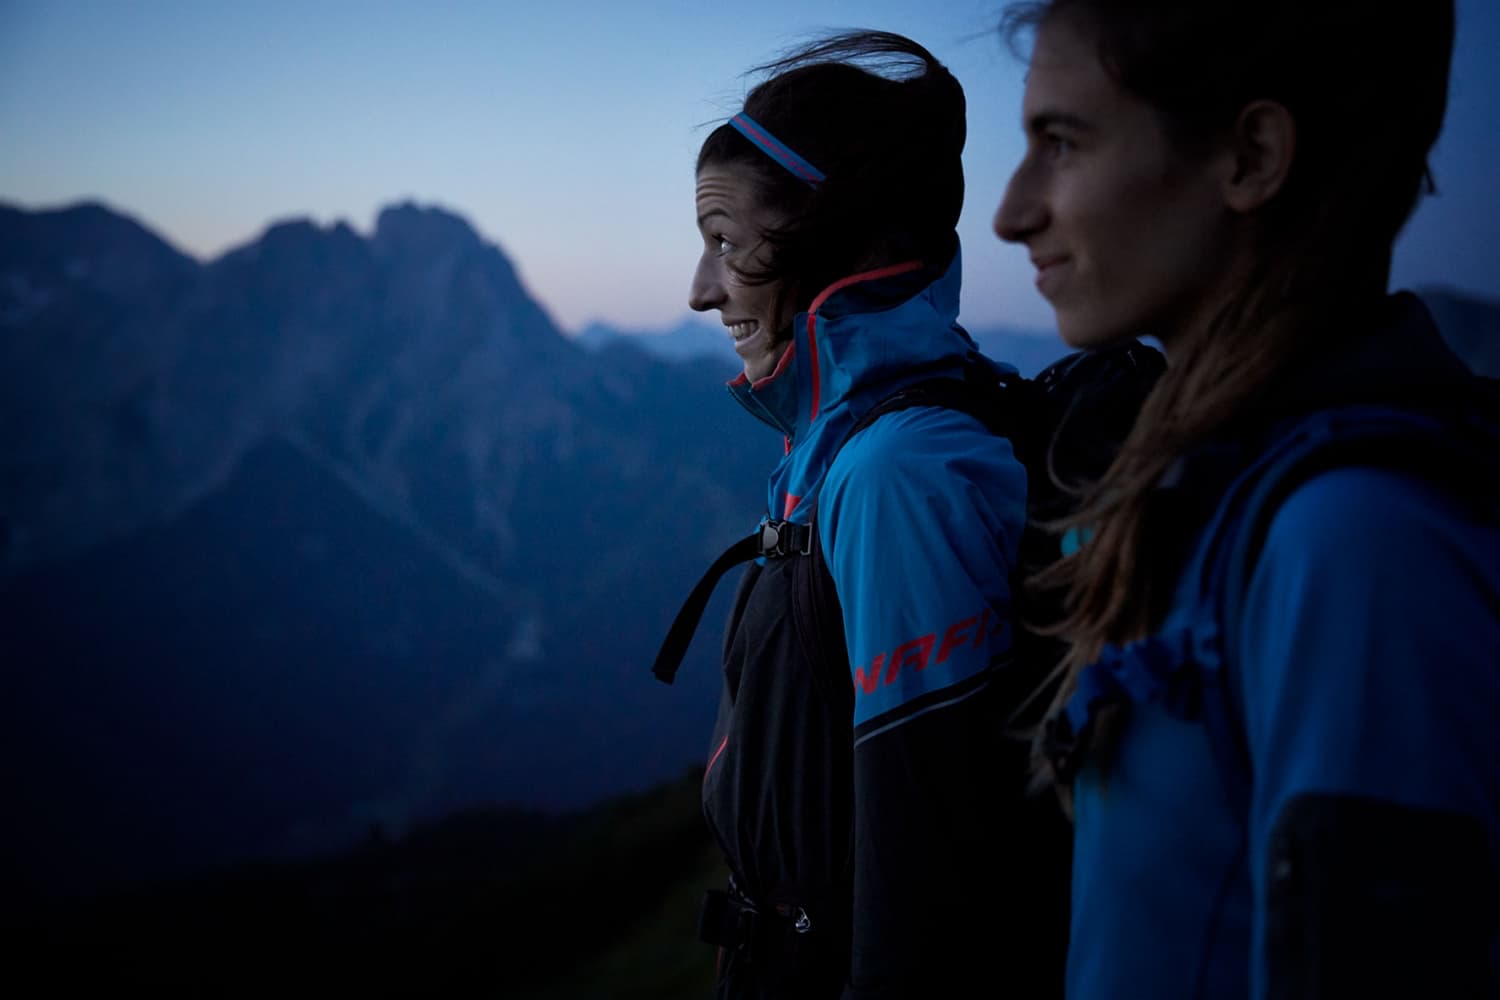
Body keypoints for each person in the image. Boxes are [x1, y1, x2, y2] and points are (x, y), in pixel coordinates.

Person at [993, 0, 1500, 996]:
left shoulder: (1357, 545)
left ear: (1252, 157)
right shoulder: (1223, 492)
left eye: (1062, 141)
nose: (1012, 210)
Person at [683, 30, 1068, 999]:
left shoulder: (898, 475)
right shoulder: (840, 449)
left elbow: (929, 896)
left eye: (726, 243)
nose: (700, 289)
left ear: (835, 246)